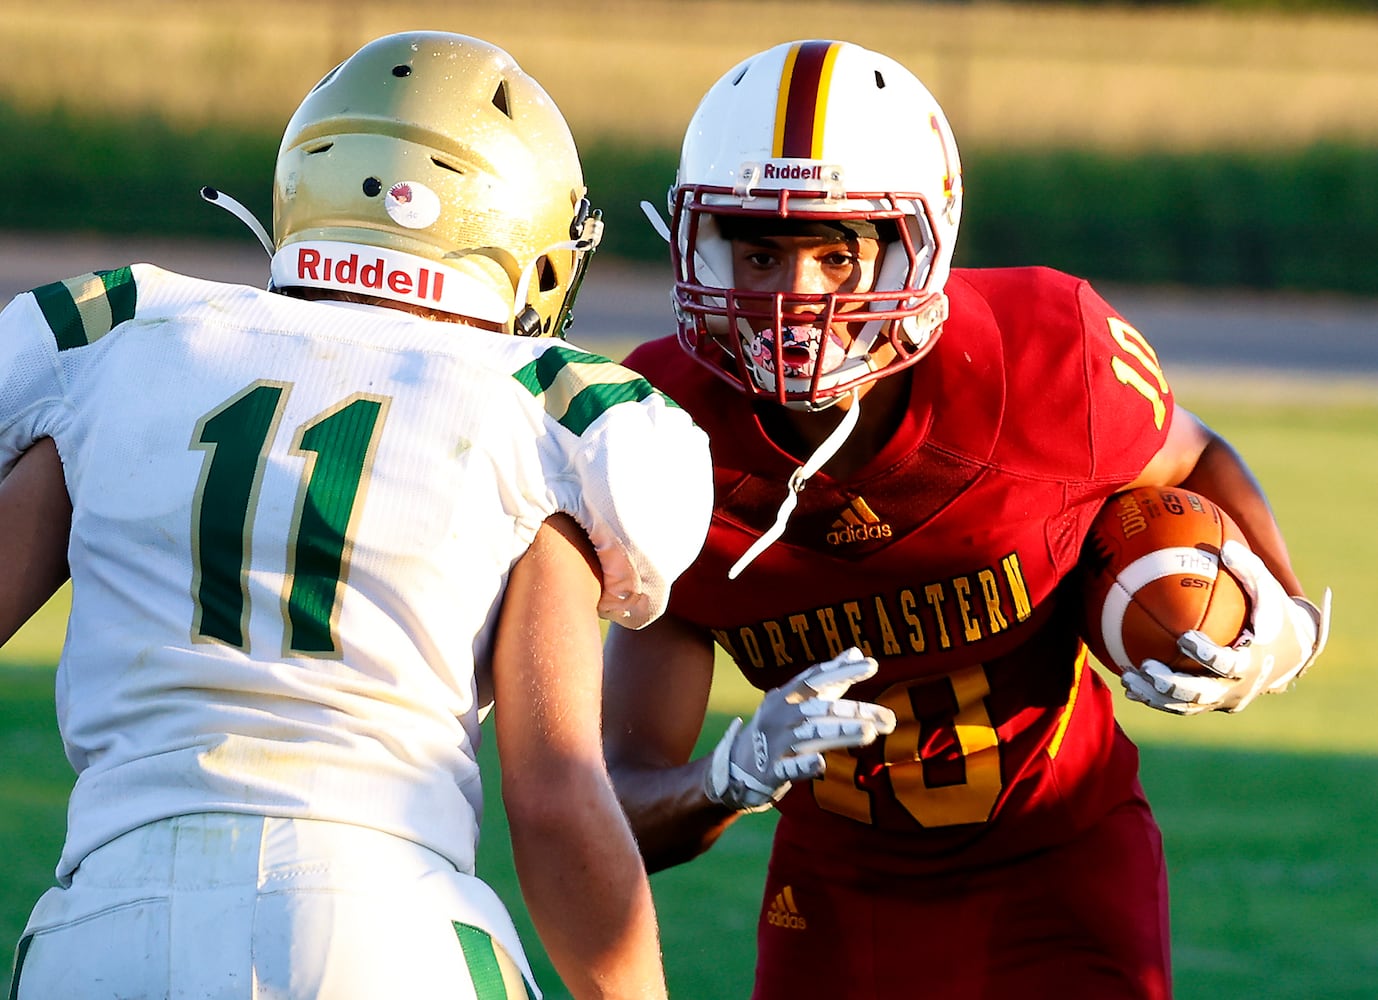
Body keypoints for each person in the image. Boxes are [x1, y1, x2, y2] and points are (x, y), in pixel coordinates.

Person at [603, 38, 1331, 999]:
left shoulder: (1042, 356)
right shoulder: (662, 435)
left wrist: (1280, 619)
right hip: (839, 886)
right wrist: (730, 774)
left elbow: (1189, 454)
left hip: (1061, 854)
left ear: (922, 243)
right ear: (701, 243)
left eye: (838, 252)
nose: (796, 299)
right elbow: (618, 809)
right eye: (760, 249)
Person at [0, 31, 712, 1000]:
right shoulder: (541, 410)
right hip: (381, 922)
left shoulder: (120, 335)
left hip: (100, 922)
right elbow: (551, 796)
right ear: (529, 242)